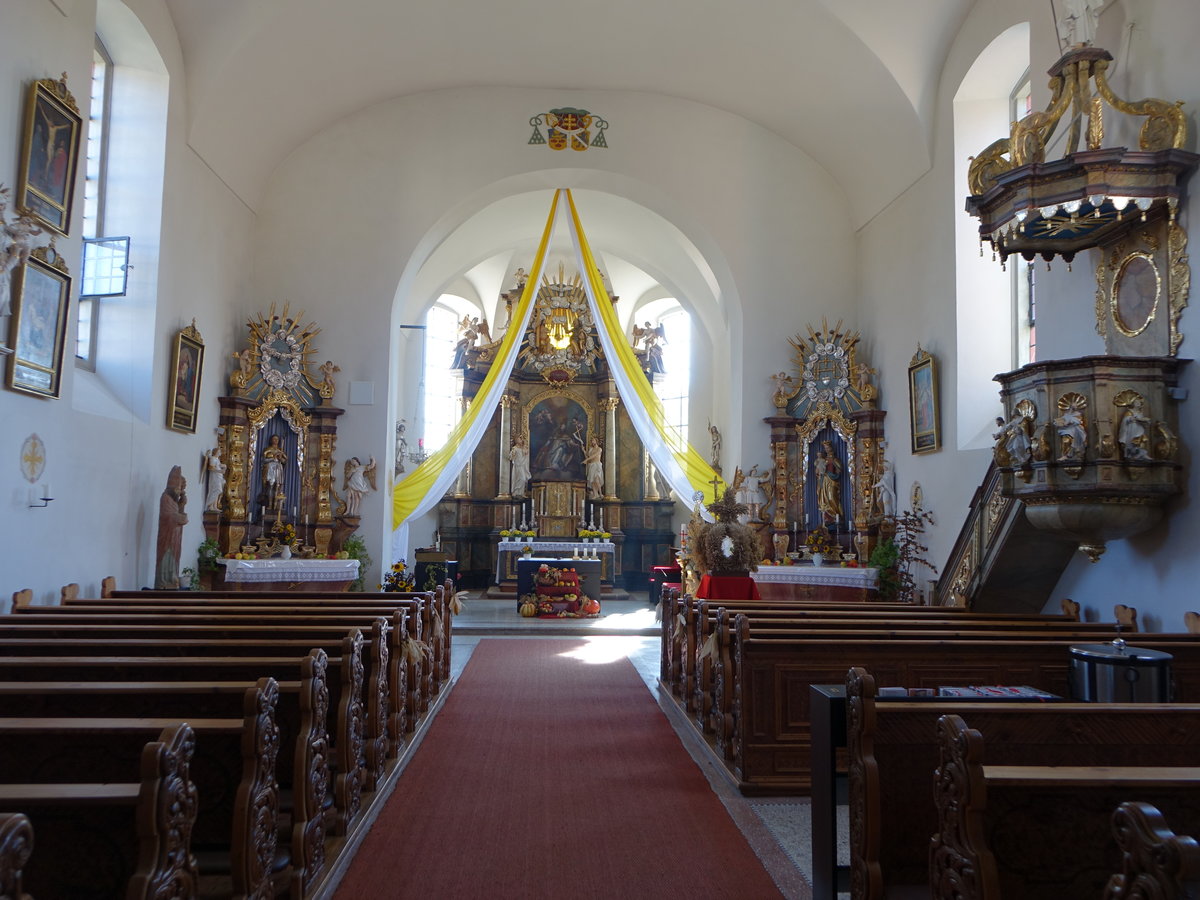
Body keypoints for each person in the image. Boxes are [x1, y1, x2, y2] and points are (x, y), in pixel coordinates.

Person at [0, 187, 40, 322]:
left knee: (3, 286)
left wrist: (17, 249)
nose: (2, 208)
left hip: (4, 264)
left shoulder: (4, 224)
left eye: (3, 205)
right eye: (0, 205)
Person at [154, 466, 188, 590]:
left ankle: (171, 579)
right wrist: (182, 518)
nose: (180, 492)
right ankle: (164, 581)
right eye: (179, 489)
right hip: (167, 538)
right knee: (166, 560)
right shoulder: (166, 498)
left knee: (173, 561)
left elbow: (175, 513)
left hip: (174, 538)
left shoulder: (173, 501)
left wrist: (181, 505)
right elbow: (168, 517)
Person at [814, 440, 843, 525]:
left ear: (831, 448)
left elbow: (839, 470)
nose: (827, 449)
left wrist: (834, 470)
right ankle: (827, 520)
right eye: (825, 448)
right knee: (824, 500)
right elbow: (818, 471)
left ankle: (835, 517)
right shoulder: (823, 460)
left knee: (832, 498)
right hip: (823, 481)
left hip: (832, 481)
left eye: (828, 448)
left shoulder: (834, 459)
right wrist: (819, 472)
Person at [1119, 396, 1152, 461]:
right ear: (1133, 403)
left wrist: (1144, 421)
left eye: (1139, 402)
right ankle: (1131, 454)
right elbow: (1124, 421)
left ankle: (1141, 454)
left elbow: (1144, 422)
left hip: (1139, 429)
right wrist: (1130, 419)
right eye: (1136, 402)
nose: (1138, 403)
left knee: (1140, 441)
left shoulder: (1140, 413)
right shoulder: (1129, 412)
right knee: (1132, 441)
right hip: (1132, 429)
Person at [204, 446, 226, 512]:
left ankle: (215, 506)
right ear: (216, 452)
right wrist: (220, 471)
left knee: (218, 491)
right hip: (214, 477)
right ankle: (210, 505)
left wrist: (223, 465)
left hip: (218, 477)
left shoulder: (216, 459)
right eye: (219, 452)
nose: (220, 453)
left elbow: (218, 465)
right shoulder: (213, 458)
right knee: (216, 490)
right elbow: (211, 468)